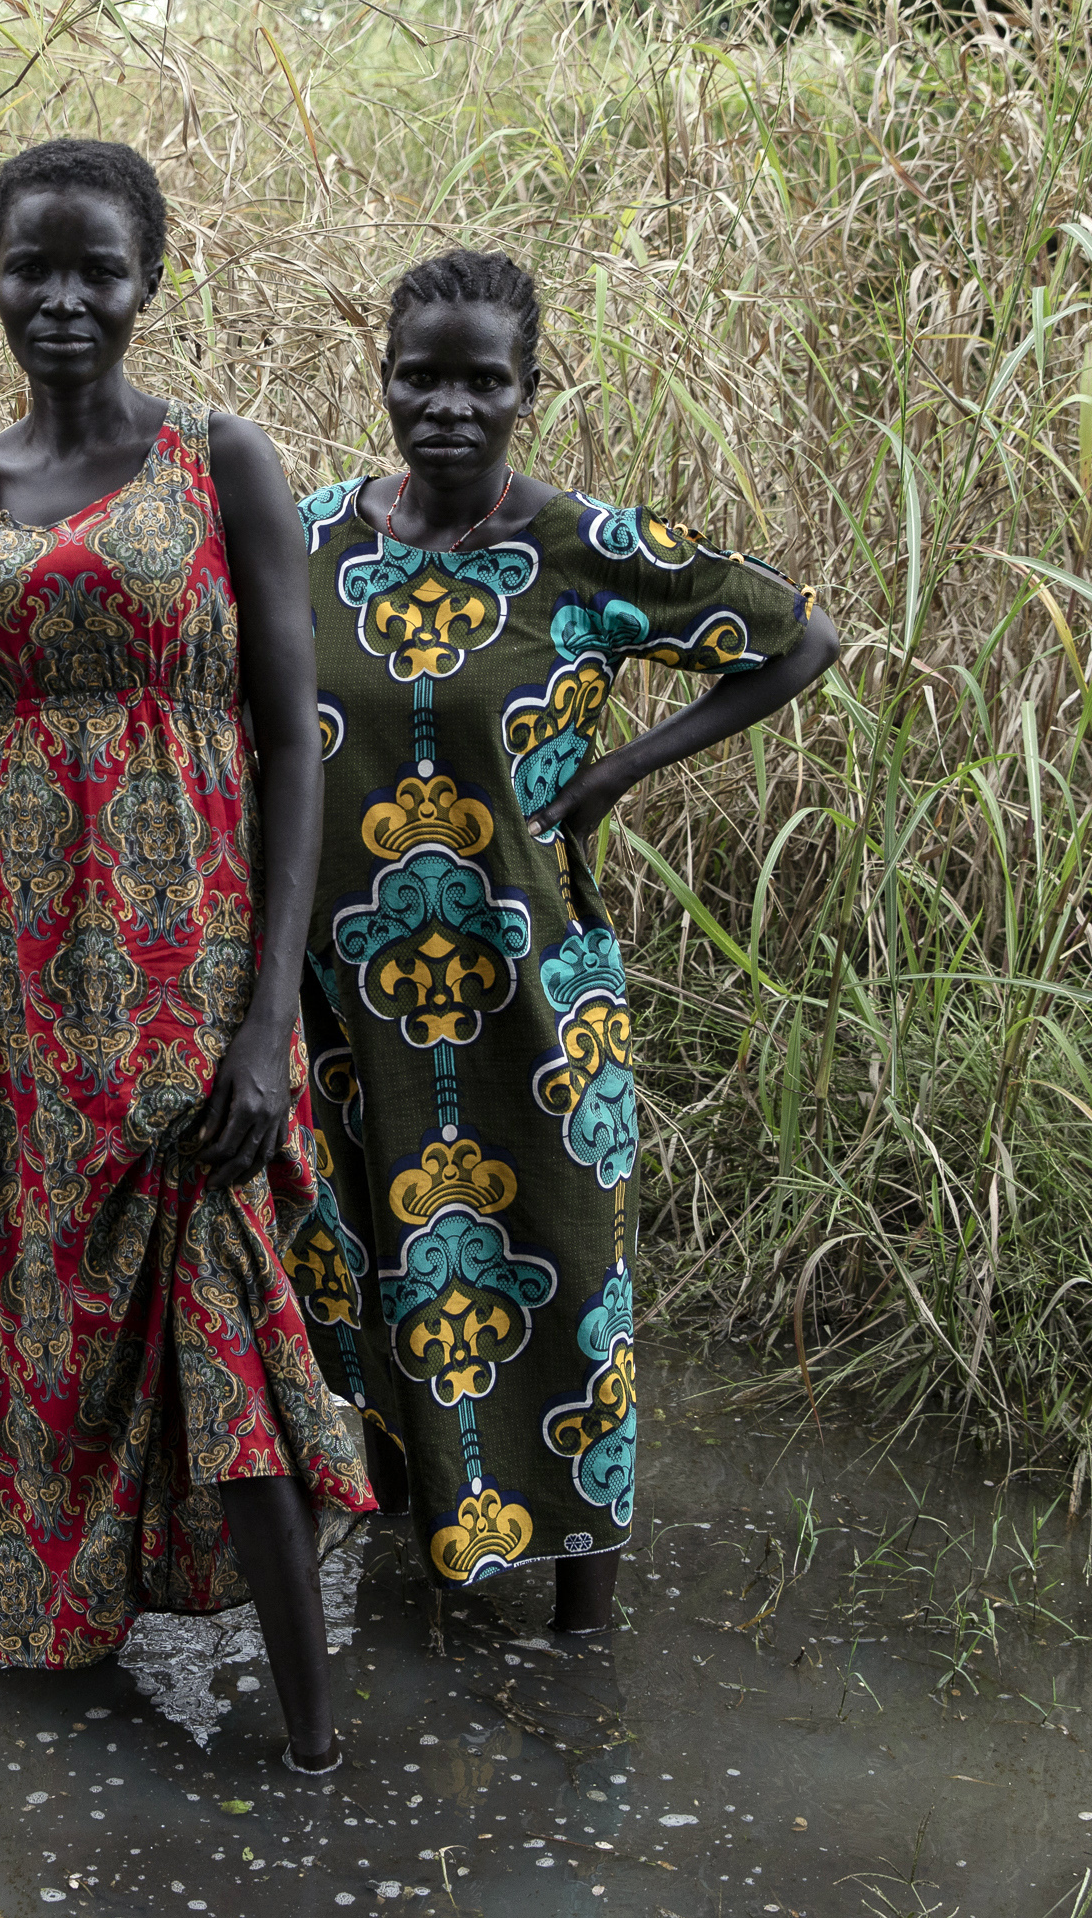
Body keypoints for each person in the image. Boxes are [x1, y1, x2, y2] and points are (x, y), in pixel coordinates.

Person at [0, 138, 379, 1773]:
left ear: (150, 281)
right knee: (35, 1315)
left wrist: (265, 1021)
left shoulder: (221, 463)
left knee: (218, 1294)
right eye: (32, 268)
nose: (63, 301)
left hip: (185, 963)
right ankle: (62, 1649)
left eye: (98, 270)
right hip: (11, 987)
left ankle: (309, 1745)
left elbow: (292, 743)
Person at [292, 249, 841, 1631]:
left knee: (568, 1278)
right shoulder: (305, 541)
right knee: (368, 1268)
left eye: (486, 380)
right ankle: (418, 1561)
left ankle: (582, 1624)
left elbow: (798, 640)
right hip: (348, 998)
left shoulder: (590, 549)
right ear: (386, 378)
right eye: (425, 376)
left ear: (531, 388)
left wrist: (623, 771)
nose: (452, 406)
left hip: (537, 999)